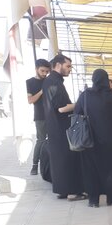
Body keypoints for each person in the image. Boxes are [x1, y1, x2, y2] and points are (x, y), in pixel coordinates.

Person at [74, 69, 112, 207]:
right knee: (111, 169)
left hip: (89, 140)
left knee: (91, 170)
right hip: (110, 141)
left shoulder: (85, 95)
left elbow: (77, 113)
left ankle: (93, 200)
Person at [42, 54, 86, 201]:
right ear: (58, 65)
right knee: (68, 159)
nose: (70, 70)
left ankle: (63, 190)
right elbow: (61, 108)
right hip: (62, 128)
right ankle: (73, 191)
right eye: (68, 66)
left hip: (54, 128)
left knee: (59, 160)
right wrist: (80, 103)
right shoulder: (54, 82)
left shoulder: (49, 81)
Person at [27, 58, 51, 175]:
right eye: (42, 71)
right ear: (36, 69)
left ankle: (49, 163)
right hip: (40, 116)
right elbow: (30, 100)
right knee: (41, 140)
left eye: (47, 71)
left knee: (53, 139)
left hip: (52, 115)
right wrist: (42, 91)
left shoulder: (49, 80)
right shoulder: (30, 82)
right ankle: (35, 165)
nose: (45, 74)